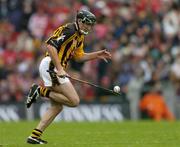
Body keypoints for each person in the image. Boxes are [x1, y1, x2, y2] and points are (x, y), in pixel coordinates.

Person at [26, 9, 112, 144]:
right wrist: (59, 68)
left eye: (90, 25)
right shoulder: (70, 30)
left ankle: (34, 136)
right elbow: (50, 45)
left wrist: (97, 55)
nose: (88, 27)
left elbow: (79, 57)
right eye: (86, 24)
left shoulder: (80, 35)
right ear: (79, 20)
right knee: (74, 101)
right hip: (51, 66)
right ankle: (39, 90)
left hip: (55, 68)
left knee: (57, 106)